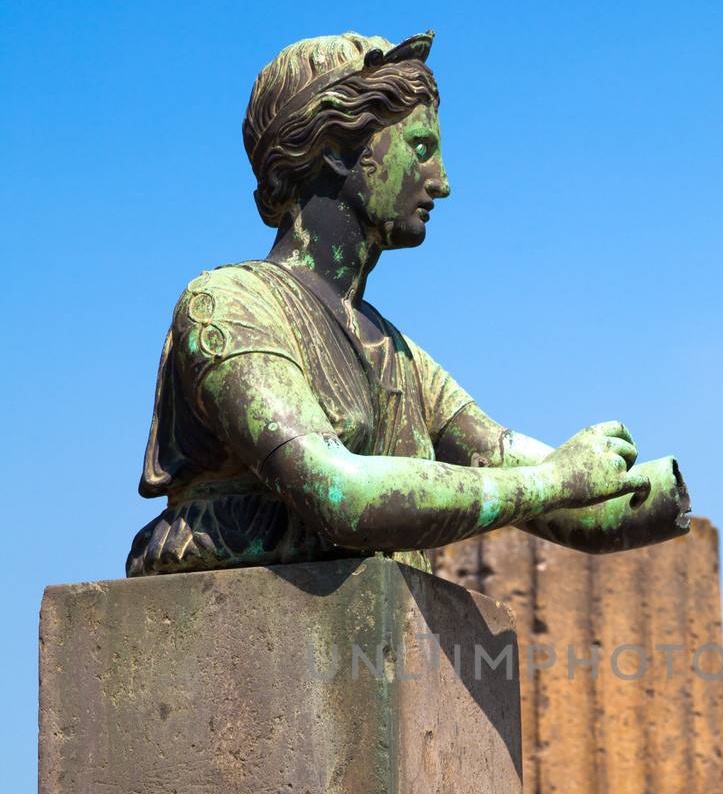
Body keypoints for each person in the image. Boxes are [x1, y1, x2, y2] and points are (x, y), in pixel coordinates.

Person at [128, 29, 689, 577]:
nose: (441, 181)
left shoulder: (398, 356)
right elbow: (342, 496)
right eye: (420, 148)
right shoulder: (228, 306)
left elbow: (549, 487)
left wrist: (646, 484)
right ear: (340, 151)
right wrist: (556, 482)